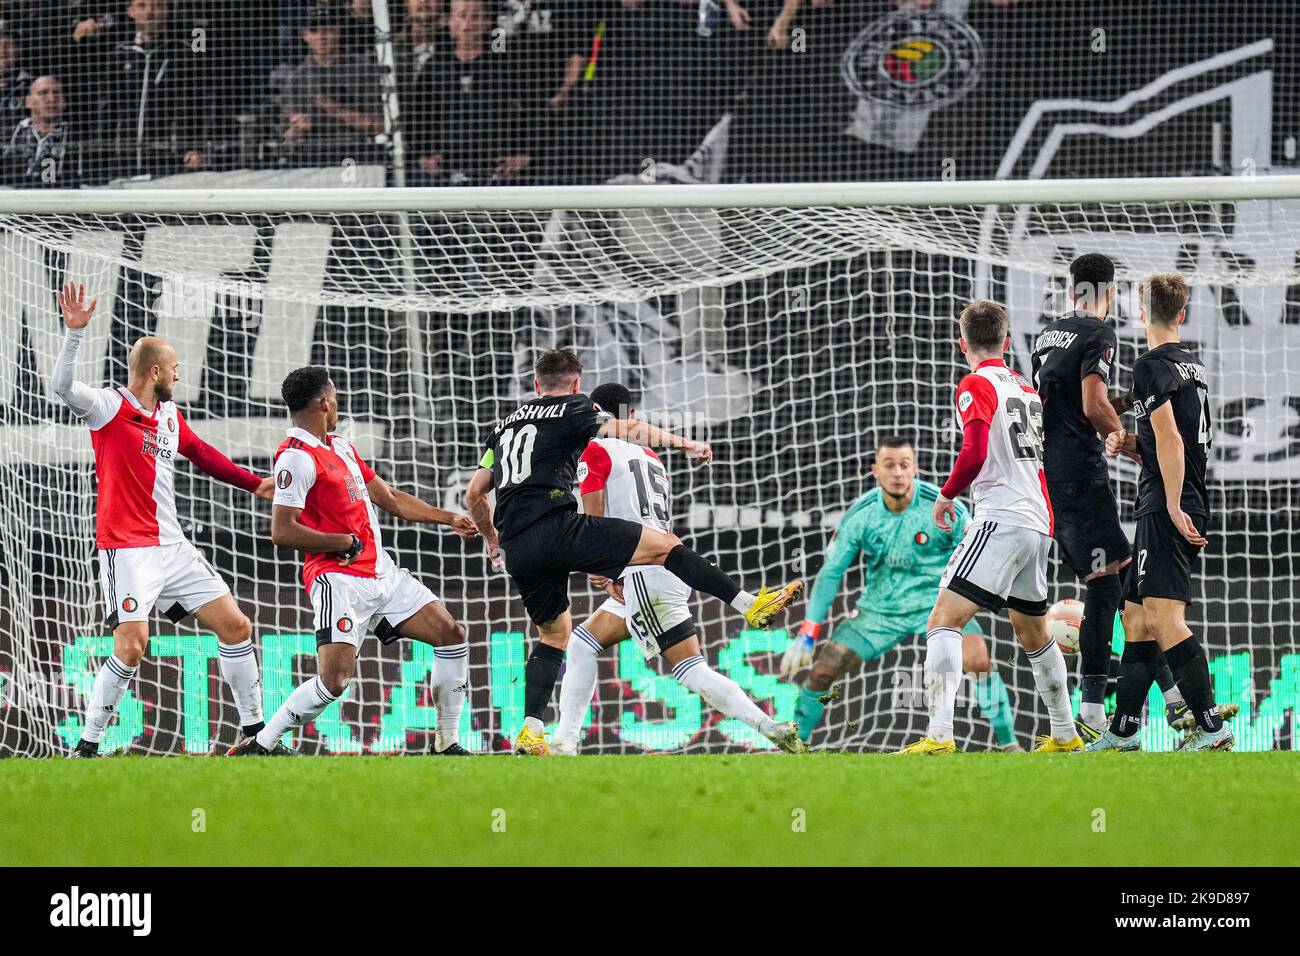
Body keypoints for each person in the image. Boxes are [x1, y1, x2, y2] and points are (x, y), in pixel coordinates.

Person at [465, 349, 802, 755]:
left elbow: (474, 493)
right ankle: (566, 740)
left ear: (536, 385)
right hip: (645, 559)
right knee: (594, 642)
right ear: (578, 388)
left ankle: (541, 733)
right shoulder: (648, 453)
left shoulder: (511, 428)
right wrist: (687, 443)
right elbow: (630, 447)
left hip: (556, 552)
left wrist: (492, 539)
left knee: (566, 639)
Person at [52, 283, 275, 757]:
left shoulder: (170, 415)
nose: (179, 373)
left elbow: (202, 453)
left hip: (174, 548)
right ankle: (87, 747)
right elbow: (64, 387)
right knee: (132, 647)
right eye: (174, 368)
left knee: (236, 626)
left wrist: (253, 483)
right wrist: (73, 335)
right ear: (155, 371)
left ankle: (257, 738)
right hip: (128, 549)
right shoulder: (108, 407)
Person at [229, 367, 480, 756]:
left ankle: (446, 744)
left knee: (452, 635)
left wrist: (448, 518)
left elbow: (392, 498)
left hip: (383, 574)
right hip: (338, 579)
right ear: (325, 402)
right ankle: (262, 743)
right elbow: (282, 531)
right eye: (335, 395)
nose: (338, 402)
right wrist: (341, 541)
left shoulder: (340, 446)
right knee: (335, 681)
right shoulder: (295, 458)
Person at [553, 382, 807, 755]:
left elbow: (595, 517)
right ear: (632, 417)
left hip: (639, 572)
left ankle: (768, 726)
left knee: (689, 669)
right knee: (583, 642)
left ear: (592, 412)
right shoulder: (650, 457)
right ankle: (564, 741)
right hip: (662, 562)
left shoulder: (593, 449)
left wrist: (602, 571)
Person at [894, 300, 1080, 754]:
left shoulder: (975, 383)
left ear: (963, 345)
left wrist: (944, 496)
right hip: (1037, 520)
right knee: (1033, 633)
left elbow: (975, 452)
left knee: (943, 620)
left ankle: (938, 737)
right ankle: (1066, 735)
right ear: (1007, 341)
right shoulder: (1026, 388)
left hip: (1001, 517)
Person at [1031, 252, 1188, 737]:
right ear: (1111, 292)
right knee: (1107, 586)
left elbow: (1068, 406)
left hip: (1053, 475)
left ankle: (1175, 700)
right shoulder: (1099, 333)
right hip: (1080, 476)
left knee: (1126, 590)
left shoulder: (1047, 335)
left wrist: (1122, 407)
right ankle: (1094, 710)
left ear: (1071, 286)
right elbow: (1093, 403)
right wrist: (1124, 441)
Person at [779, 436, 1021, 750]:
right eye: (889, 466)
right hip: (879, 612)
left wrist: (972, 600)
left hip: (937, 605)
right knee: (823, 669)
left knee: (977, 661)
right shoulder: (862, 515)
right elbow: (831, 572)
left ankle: (1010, 745)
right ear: (875, 471)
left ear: (914, 469)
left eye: (904, 465)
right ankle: (793, 744)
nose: (897, 473)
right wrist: (808, 630)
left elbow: (973, 551)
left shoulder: (942, 505)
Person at [1089, 275, 1234, 752]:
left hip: (1168, 504)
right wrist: (1130, 443)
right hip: (1173, 495)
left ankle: (1212, 729)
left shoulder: (1150, 365)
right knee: (1134, 618)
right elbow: (1170, 443)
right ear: (1183, 315)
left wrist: (1171, 504)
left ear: (1140, 313)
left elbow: (1172, 439)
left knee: (1164, 620)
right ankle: (1125, 732)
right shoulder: (1192, 365)